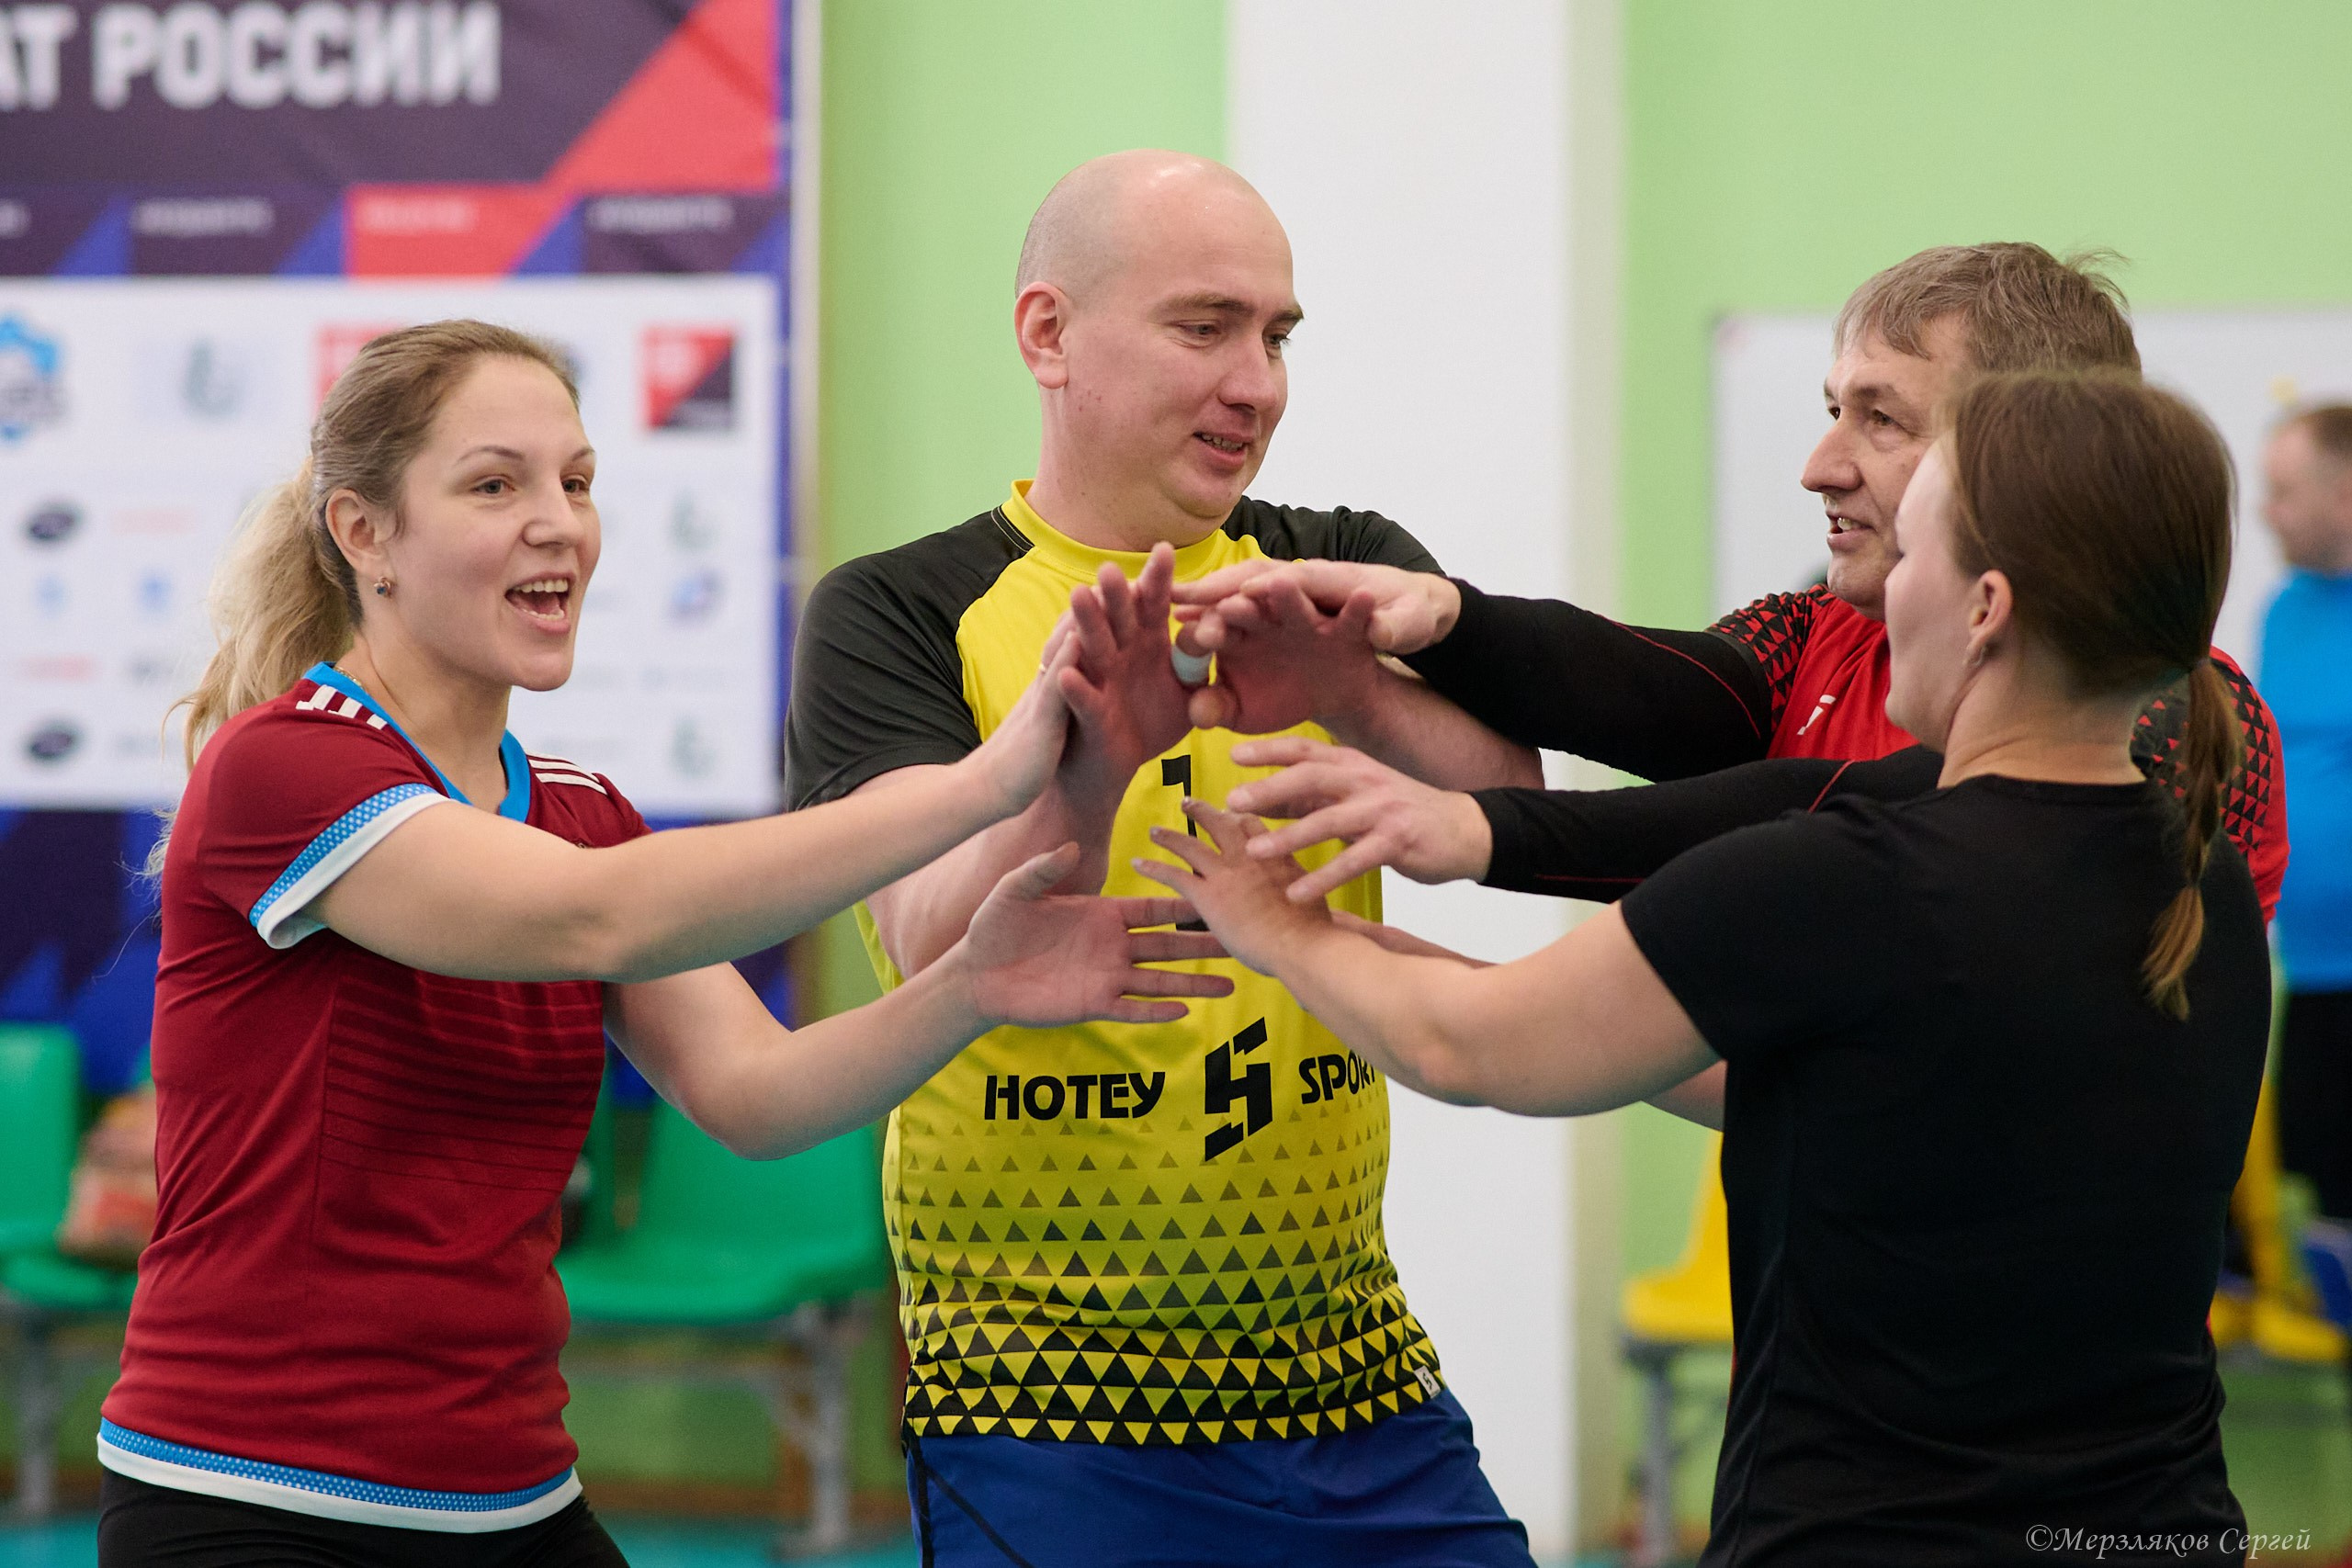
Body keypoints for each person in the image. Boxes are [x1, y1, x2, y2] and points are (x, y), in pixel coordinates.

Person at [100, 320, 1229, 1568]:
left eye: (577, 482)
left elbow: (758, 1093)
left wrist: (970, 984)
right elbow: (600, 912)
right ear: (364, 533)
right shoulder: (285, 765)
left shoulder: (580, 811)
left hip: (510, 1500)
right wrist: (984, 783)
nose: (558, 523)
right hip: (252, 1500)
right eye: (495, 485)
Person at [1143, 370, 2272, 1566]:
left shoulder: (1843, 882)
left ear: (1985, 606)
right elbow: (1838, 1089)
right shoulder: (2198, 880)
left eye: (1913, 553)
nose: (1885, 589)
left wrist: (1270, 921)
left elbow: (1466, 1043)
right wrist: (1366, 938)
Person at [784, 152, 1538, 1567]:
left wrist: (1358, 691)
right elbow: (930, 936)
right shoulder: (902, 608)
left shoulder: (1332, 565)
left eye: (1278, 336)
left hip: (1355, 1375)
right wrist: (1094, 768)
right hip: (1043, 1399)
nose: (1257, 384)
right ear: (1049, 333)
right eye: (1205, 327)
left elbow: (1514, 810)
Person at [1163, 243, 2286, 925]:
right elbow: (1667, 690)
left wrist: (1479, 833)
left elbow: (1853, 824)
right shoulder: (1817, 631)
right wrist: (1444, 621)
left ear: (2028, 456)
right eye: (1832, 409)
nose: (1820, 465)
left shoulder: (2172, 713)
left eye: (1881, 419)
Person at [2259, 409, 2352, 1322]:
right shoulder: (2282, 611)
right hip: (2312, 975)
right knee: (2326, 1209)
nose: (2266, 512)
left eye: (2283, 491)